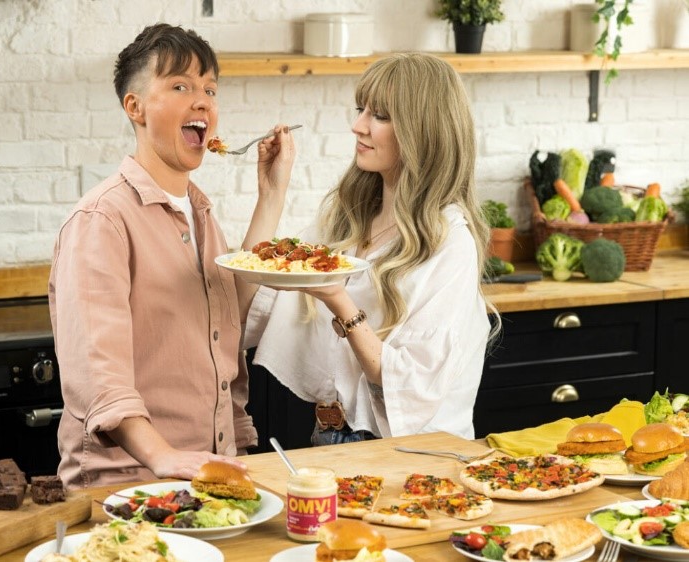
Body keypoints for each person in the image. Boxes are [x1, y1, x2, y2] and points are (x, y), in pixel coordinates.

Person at [48, 23, 294, 489]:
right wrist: (162, 456)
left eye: (210, 89)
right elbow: (98, 372)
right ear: (135, 107)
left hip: (212, 470)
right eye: (180, 86)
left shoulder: (199, 212)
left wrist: (271, 194)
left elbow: (229, 318)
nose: (202, 100)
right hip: (129, 483)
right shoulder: (101, 220)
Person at [242, 53, 495, 444]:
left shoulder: (450, 241)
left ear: (422, 131)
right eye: (362, 109)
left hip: (416, 458)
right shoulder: (347, 218)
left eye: (379, 116)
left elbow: (409, 386)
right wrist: (272, 194)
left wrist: (338, 301)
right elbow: (250, 298)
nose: (358, 126)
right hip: (330, 438)